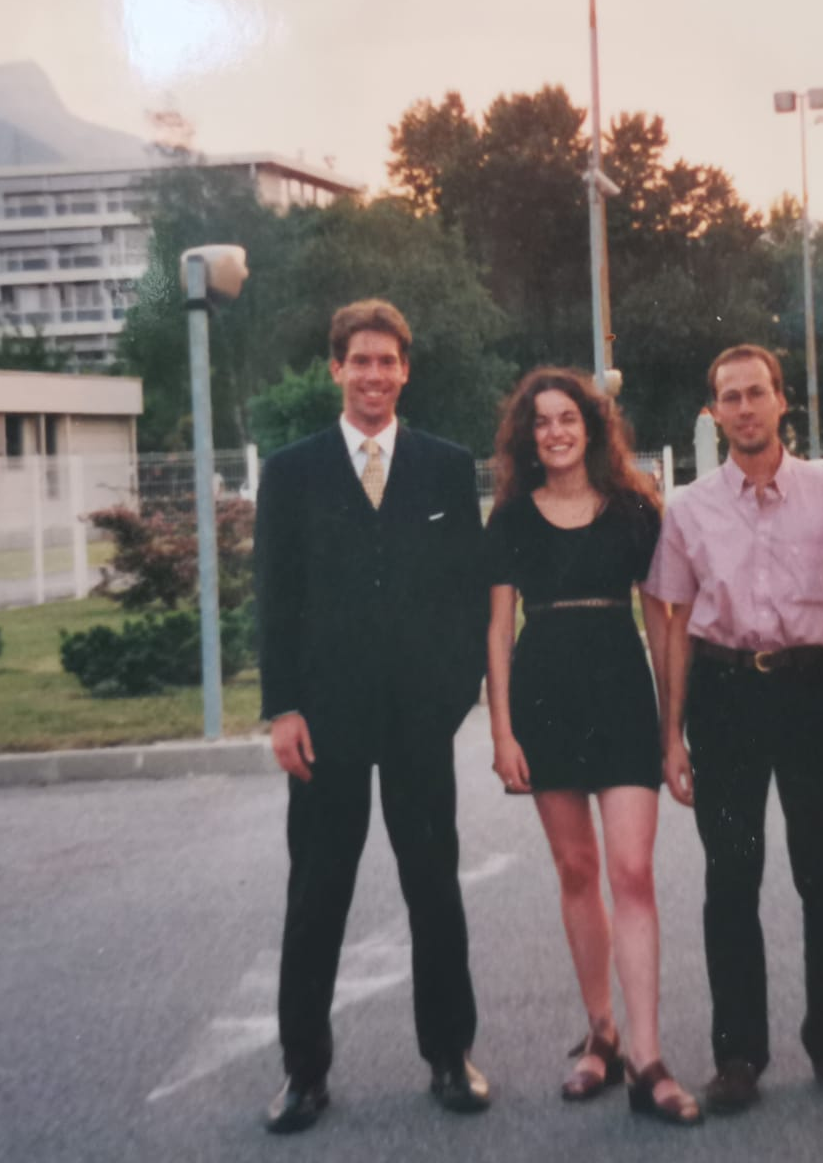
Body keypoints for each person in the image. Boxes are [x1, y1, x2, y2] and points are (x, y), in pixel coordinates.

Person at [644, 344, 823, 1114]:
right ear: (714, 411)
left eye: (758, 393)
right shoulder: (689, 509)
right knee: (732, 880)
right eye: (731, 397)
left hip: (809, 694)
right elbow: (675, 620)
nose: (746, 408)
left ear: (782, 401)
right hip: (722, 697)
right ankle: (738, 1057)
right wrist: (671, 737)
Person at [254, 299, 492, 1133]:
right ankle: (303, 1074)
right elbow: (276, 600)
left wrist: (455, 692)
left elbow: (470, 593)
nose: (374, 376)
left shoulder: (444, 466)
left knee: (434, 889)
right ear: (335, 368)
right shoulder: (293, 471)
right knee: (318, 895)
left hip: (419, 723)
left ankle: (450, 1058)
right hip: (326, 722)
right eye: (360, 361)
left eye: (388, 362)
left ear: (406, 369)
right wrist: (281, 707)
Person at [485, 367, 702, 1126]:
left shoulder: (636, 512)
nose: (555, 431)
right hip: (544, 700)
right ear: (527, 436)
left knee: (632, 871)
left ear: (591, 425)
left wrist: (673, 734)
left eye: (567, 417)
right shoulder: (510, 518)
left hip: (620, 697)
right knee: (577, 870)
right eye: (540, 422)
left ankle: (649, 1056)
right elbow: (496, 631)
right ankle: (600, 1035)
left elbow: (666, 626)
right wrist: (502, 732)